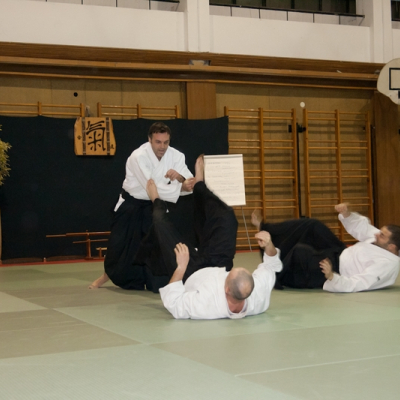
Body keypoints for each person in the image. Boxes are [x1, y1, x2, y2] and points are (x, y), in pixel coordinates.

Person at [147, 155, 283, 319]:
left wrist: (180, 268)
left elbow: (174, 303)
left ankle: (155, 200)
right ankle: (199, 185)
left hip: (192, 271)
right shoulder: (257, 295)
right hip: (219, 263)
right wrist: (269, 245)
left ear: (226, 289)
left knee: (162, 225)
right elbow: (271, 266)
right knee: (227, 217)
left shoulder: (206, 306)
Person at [89, 122, 194, 290]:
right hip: (132, 204)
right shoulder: (138, 157)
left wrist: (181, 178)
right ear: (149, 140)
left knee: (155, 247)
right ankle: (105, 277)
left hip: (155, 206)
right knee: (119, 246)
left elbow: (190, 182)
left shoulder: (176, 156)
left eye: (166, 142)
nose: (162, 146)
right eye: (158, 142)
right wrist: (180, 188)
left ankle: (156, 282)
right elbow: (151, 187)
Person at [252, 203, 400, 293]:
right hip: (341, 251)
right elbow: (362, 227)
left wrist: (333, 277)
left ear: (392, 247)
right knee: (313, 226)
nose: (377, 234)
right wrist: (347, 214)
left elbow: (361, 283)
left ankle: (273, 272)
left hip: (338, 270)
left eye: (382, 235)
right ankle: (265, 229)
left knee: (300, 252)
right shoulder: (381, 241)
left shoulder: (386, 265)